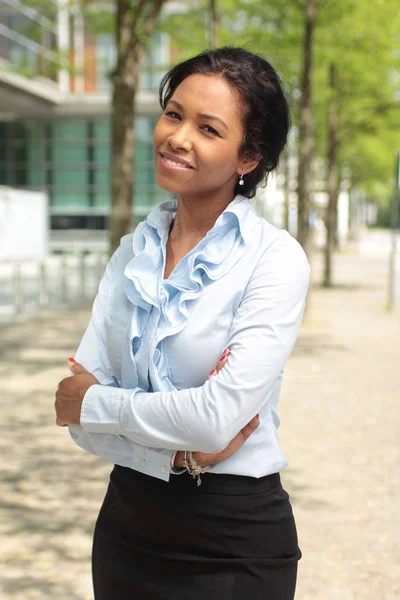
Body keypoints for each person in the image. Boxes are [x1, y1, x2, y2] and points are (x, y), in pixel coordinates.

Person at [55, 46, 310, 600]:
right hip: (127, 526)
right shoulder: (131, 253)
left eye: (208, 128)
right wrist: (176, 451)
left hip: (234, 539)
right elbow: (74, 420)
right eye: (174, 114)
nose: (178, 136)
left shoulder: (274, 259)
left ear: (249, 157)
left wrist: (103, 405)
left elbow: (214, 420)